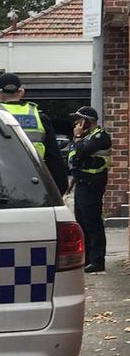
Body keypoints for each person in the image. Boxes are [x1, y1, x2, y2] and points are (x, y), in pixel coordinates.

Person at [0, 73, 68, 195]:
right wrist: (59, 189)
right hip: (35, 182)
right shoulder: (39, 116)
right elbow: (54, 158)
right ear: (21, 92)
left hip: (1, 181)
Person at [67, 106, 111, 273]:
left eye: (79, 120)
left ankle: (97, 260)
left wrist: (77, 137)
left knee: (92, 222)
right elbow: (73, 158)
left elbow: (81, 152)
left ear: (87, 121)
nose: (76, 124)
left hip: (93, 184)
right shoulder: (86, 137)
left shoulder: (100, 137)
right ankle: (86, 259)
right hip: (82, 183)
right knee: (81, 221)